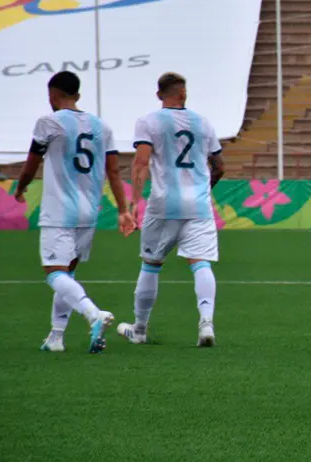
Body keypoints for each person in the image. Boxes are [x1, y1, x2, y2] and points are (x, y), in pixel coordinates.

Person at [13, 71, 134, 353]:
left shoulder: (49, 122)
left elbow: (32, 162)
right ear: (77, 95)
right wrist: (123, 210)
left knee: (54, 273)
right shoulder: (101, 127)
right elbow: (114, 171)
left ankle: (94, 314)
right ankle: (56, 336)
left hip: (59, 211)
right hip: (88, 212)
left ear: (52, 95)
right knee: (67, 274)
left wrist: (20, 188)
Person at [116, 72, 225, 347]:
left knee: (151, 264)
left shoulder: (148, 121)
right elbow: (220, 166)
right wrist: (204, 188)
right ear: (184, 93)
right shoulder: (203, 123)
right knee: (200, 263)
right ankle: (206, 324)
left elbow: (141, 163)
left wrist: (134, 204)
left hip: (164, 203)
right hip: (199, 205)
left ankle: (139, 329)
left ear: (158, 95)